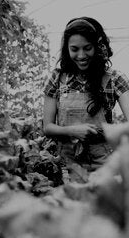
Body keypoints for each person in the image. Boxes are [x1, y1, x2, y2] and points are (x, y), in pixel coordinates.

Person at [43, 17, 129, 171]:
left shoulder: (114, 79)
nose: (81, 55)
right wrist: (72, 131)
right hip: (66, 164)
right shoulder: (57, 78)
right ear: (67, 49)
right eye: (74, 49)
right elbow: (48, 127)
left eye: (87, 48)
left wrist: (106, 133)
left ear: (97, 47)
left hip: (104, 165)